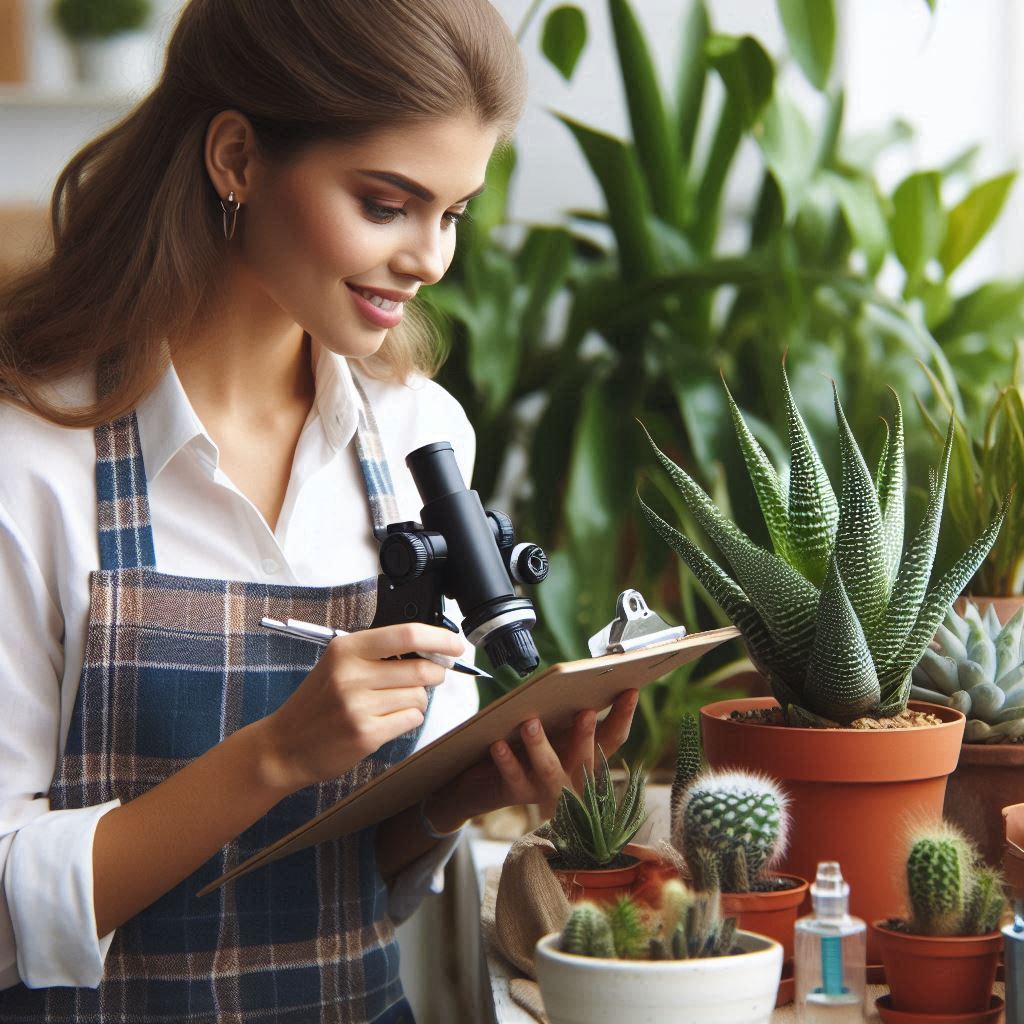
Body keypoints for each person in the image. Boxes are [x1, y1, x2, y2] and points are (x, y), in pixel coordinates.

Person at [0, 1, 639, 1021]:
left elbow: (349, 883)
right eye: (387, 204)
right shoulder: (31, 456)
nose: (430, 258)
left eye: (454, 211)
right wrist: (274, 754)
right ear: (238, 157)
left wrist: (455, 795)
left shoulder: (416, 437)